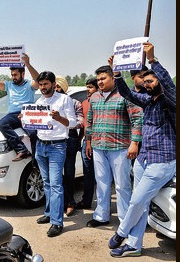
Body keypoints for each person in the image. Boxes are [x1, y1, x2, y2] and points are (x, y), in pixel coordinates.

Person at [107, 42, 176, 257]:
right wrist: (117, 74)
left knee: (136, 200)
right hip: (144, 159)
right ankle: (134, 245)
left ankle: (121, 232)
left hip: (162, 161)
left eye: (151, 80)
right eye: (145, 81)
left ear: (159, 81)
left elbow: (168, 85)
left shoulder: (171, 100)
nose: (147, 84)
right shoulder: (148, 101)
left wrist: (153, 60)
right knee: (142, 204)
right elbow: (127, 94)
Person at [84, 65, 143, 228]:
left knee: (122, 185)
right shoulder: (94, 97)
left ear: (112, 78)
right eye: (98, 79)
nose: (100, 82)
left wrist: (134, 142)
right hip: (98, 146)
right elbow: (89, 120)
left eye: (103, 78)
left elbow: (137, 119)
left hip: (120, 147)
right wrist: (88, 141)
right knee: (101, 183)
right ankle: (101, 216)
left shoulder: (125, 95)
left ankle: (126, 220)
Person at [32, 71, 77, 238]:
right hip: (41, 145)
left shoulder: (64, 99)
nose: (43, 87)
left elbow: (72, 123)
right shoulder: (39, 101)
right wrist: (25, 118)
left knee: (57, 185)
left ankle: (57, 223)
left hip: (57, 146)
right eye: (41, 84)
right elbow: (34, 123)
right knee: (47, 183)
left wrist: (59, 118)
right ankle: (50, 212)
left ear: (52, 83)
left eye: (46, 84)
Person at [0, 53, 39, 161]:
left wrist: (28, 64)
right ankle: (22, 150)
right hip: (13, 115)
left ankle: (36, 161)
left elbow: (39, 81)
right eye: (12, 75)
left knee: (34, 134)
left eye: (15, 75)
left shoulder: (29, 84)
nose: (13, 77)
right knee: (2, 124)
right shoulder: (9, 85)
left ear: (23, 73)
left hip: (27, 114)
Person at [54, 76, 84, 217]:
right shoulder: (50, 102)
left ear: (63, 87)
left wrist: (63, 120)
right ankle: (58, 204)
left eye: (58, 87)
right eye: (54, 86)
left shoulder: (75, 103)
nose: (56, 89)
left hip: (69, 138)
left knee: (69, 173)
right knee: (56, 175)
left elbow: (80, 121)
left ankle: (70, 203)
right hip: (54, 139)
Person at [75, 77, 99, 210]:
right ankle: (87, 200)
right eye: (87, 87)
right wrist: (80, 140)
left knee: (102, 175)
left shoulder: (101, 102)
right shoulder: (84, 103)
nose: (87, 89)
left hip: (101, 142)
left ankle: (103, 204)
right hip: (86, 142)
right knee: (88, 173)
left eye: (90, 87)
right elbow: (84, 125)